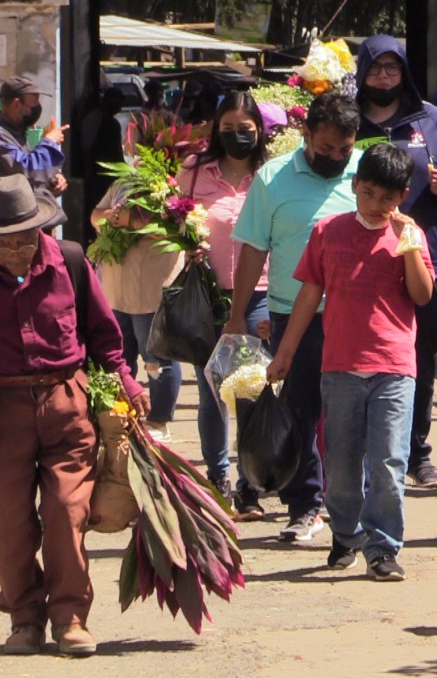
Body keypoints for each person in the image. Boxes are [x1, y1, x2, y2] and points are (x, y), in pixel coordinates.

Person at [0, 175, 149, 657]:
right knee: (6, 520)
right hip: (0, 406)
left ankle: (69, 617)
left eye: (24, 242)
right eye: (3, 246)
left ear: (39, 230)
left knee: (66, 511)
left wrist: (126, 381)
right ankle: (25, 618)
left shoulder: (69, 261)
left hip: (66, 402)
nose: (15, 254)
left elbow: (105, 338)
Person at [266, 143, 435, 580]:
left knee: (388, 461)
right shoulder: (328, 231)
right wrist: (284, 353)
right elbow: (309, 294)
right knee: (340, 463)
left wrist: (409, 245)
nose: (377, 206)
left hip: (394, 366)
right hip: (339, 365)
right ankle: (346, 532)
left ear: (402, 196)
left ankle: (383, 547)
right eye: (369, 193)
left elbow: (422, 295)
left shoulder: (409, 234)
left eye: (388, 198)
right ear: (355, 185)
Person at [228, 91, 361, 542]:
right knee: (298, 412)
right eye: (326, 149)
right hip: (292, 316)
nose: (337, 158)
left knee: (350, 413)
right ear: (305, 135)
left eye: (344, 149)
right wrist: (235, 316)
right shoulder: (272, 178)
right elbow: (252, 249)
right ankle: (306, 505)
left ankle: (350, 505)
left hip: (356, 318)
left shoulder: (366, 172)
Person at [354, 34, 437, 491]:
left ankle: (417, 453)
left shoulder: (432, 120)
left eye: (392, 68)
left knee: (418, 358)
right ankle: (365, 449)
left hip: (424, 258)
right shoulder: (348, 119)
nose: (384, 76)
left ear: (405, 73)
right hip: (360, 261)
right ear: (362, 72)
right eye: (376, 68)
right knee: (360, 359)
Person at [175, 92, 272, 507]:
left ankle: (252, 481)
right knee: (212, 390)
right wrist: (186, 242)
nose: (236, 136)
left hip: (261, 295)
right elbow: (174, 220)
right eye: (228, 129)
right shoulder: (195, 172)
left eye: (245, 129)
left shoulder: (271, 174)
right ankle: (218, 479)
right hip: (209, 295)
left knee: (250, 390)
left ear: (260, 131)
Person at [89, 181, 185, 443]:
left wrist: (129, 221)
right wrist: (111, 217)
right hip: (115, 290)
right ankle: (121, 415)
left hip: (151, 291)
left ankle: (159, 419)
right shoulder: (122, 183)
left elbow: (173, 229)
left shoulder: (173, 185)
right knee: (118, 357)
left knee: (156, 359)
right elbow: (96, 215)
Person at [0, 76, 68, 201]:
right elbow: (24, 170)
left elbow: (34, 176)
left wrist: (53, 180)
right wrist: (49, 142)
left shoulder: (16, 131)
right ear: (17, 104)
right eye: (34, 102)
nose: (37, 107)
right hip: (9, 214)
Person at [81, 87, 127, 241]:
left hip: (113, 175)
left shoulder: (113, 122)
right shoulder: (94, 119)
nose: (119, 106)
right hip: (98, 175)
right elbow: (86, 147)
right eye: (117, 101)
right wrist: (89, 172)